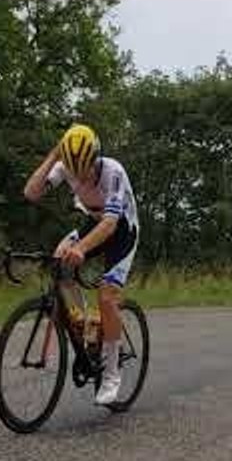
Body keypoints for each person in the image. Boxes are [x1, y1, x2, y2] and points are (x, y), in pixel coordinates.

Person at [23, 123, 139, 406]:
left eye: (85, 170)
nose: (80, 177)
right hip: (94, 223)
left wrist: (82, 249)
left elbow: (111, 224)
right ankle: (87, 326)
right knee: (58, 262)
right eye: (74, 171)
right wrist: (54, 156)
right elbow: (31, 193)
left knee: (107, 295)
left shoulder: (113, 172)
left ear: (96, 158)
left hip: (122, 230)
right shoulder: (67, 167)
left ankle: (112, 374)